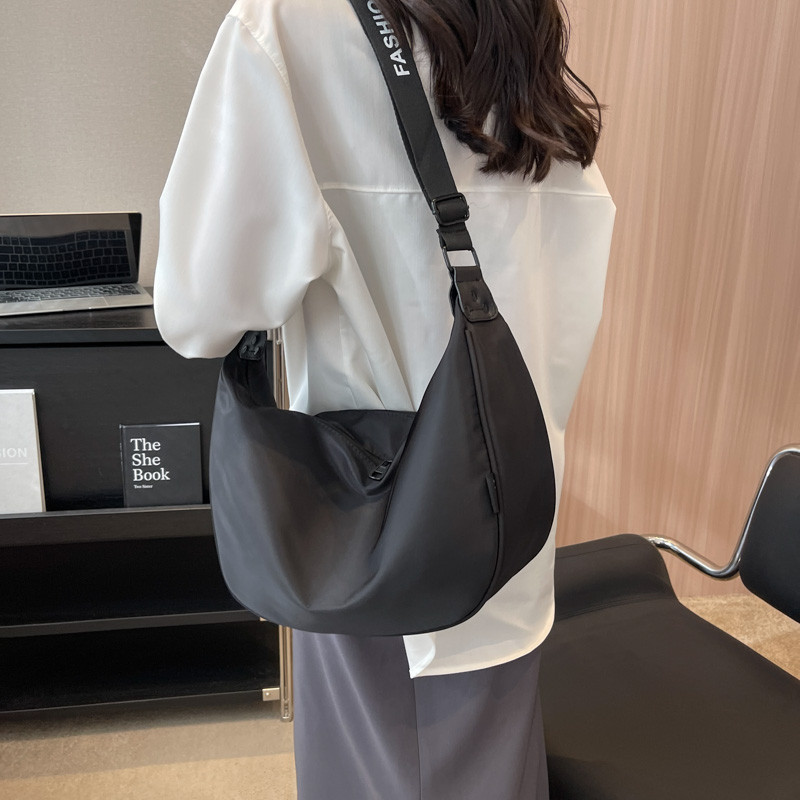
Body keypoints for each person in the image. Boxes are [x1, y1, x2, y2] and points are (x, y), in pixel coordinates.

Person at [154, 0, 615, 797]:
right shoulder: (519, 31)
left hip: (374, 540)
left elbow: (197, 312)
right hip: (510, 526)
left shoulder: (289, 26)